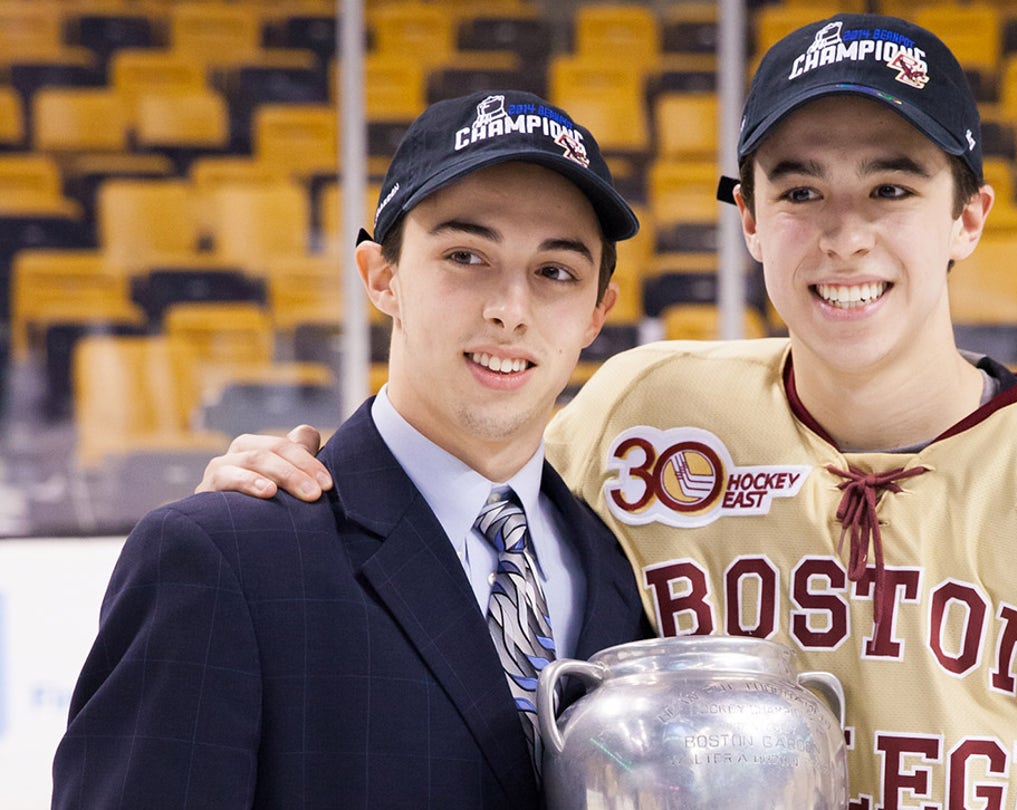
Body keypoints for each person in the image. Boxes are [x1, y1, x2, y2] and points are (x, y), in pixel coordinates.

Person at [199, 15, 1017, 809]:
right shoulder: (647, 413)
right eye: (799, 188)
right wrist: (291, 488)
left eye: (893, 186)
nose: (845, 233)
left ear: (969, 216)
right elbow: (456, 506)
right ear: (750, 222)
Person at [52, 89, 652, 810]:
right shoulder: (223, 558)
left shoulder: (624, 571)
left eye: (555, 272)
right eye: (467, 256)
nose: (509, 309)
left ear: (597, 313)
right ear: (382, 276)